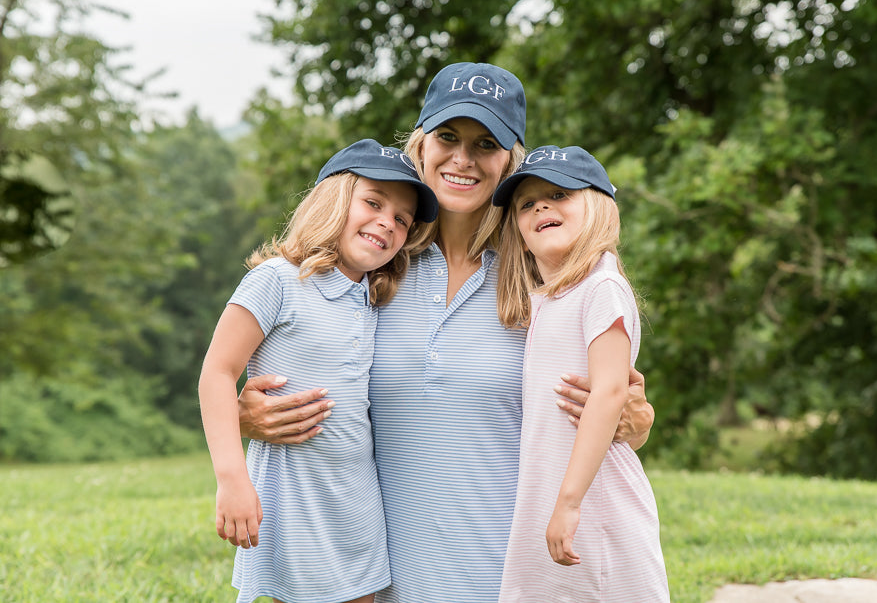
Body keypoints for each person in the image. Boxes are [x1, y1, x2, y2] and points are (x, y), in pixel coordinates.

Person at [236, 63, 656, 602]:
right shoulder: (371, 264)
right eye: (448, 138)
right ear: (420, 146)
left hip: (508, 569)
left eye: (485, 143)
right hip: (385, 572)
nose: (463, 158)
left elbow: (614, 402)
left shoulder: (545, 275)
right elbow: (278, 360)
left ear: (510, 162)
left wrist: (638, 422)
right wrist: (243, 413)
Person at [198, 138, 439, 603]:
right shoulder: (279, 280)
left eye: (402, 220)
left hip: (356, 501)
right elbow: (217, 372)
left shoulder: (375, 298)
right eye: (373, 202)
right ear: (334, 199)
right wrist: (231, 480)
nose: (386, 223)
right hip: (295, 498)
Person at [492, 145, 669, 602]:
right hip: (550, 495)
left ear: (597, 209)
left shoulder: (602, 286)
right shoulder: (548, 299)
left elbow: (611, 392)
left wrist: (569, 504)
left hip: (595, 499)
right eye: (526, 204)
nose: (541, 207)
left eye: (558, 194)